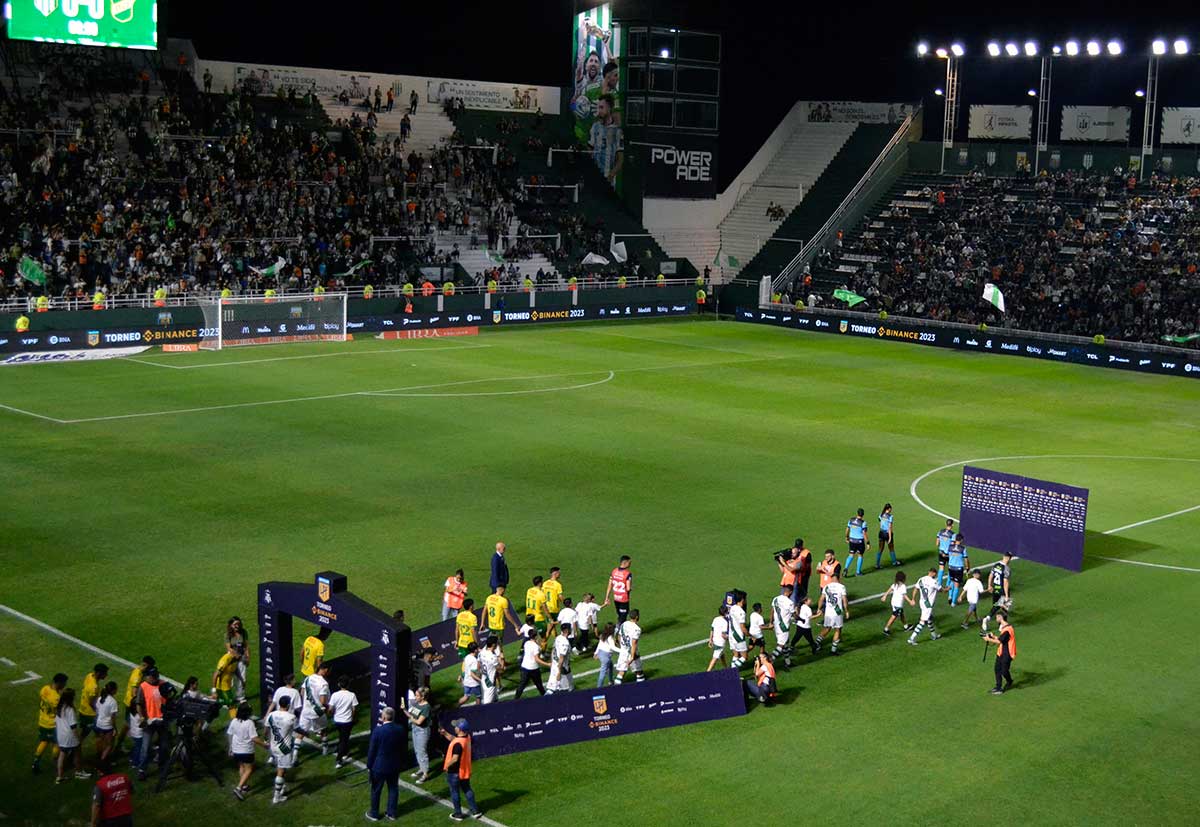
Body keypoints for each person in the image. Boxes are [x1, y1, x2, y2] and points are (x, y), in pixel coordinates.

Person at [365, 706, 407, 821]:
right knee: (393, 789)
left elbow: (372, 750)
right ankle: (391, 813)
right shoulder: (400, 729)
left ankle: (374, 813)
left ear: (383, 717)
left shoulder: (378, 731)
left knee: (376, 790)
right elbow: (403, 748)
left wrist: (369, 765)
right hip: (394, 765)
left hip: (379, 766)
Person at [439, 718, 482, 822]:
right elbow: (455, 739)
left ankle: (458, 814)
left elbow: (455, 758)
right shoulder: (467, 738)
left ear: (460, 729)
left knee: (454, 792)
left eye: (456, 726)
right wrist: (445, 734)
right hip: (464, 770)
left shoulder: (458, 744)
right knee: (467, 789)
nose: (455, 727)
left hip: (454, 772)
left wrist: (446, 766)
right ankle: (475, 811)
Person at [257, 695, 297, 804]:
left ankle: (280, 786)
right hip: (284, 748)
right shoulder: (291, 717)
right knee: (281, 771)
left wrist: (265, 738)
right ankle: (277, 796)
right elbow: (297, 730)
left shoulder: (271, 715)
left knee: (279, 767)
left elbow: (266, 729)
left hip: (273, 746)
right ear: (288, 705)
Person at [135, 669, 167, 780]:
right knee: (146, 746)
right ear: (147, 676)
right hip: (149, 721)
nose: (155, 678)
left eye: (156, 676)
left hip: (162, 720)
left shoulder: (163, 684)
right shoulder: (143, 686)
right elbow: (138, 704)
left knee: (163, 746)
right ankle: (142, 769)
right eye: (153, 676)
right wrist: (142, 717)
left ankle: (162, 766)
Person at [116, 656, 153, 752]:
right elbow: (134, 692)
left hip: (130, 702)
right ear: (146, 665)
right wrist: (140, 704)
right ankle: (121, 745)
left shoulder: (138, 671)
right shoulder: (137, 675)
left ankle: (120, 744)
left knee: (128, 724)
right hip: (131, 704)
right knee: (130, 724)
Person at [33, 672, 67, 774]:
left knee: (44, 741)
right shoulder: (56, 697)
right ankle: (56, 762)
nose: (65, 685)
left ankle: (35, 762)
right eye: (64, 683)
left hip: (42, 720)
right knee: (56, 743)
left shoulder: (44, 688)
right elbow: (59, 712)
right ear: (59, 683)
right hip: (52, 724)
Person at [56, 688, 88, 783]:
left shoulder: (59, 707)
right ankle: (79, 772)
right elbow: (73, 727)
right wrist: (79, 739)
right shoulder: (69, 710)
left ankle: (59, 777)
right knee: (78, 753)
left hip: (61, 735)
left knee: (62, 755)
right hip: (69, 736)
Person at [227, 702, 258, 800]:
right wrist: (265, 745)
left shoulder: (234, 721)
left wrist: (230, 748)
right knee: (249, 769)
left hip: (236, 749)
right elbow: (254, 738)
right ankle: (238, 788)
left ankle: (244, 786)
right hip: (246, 750)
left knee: (241, 766)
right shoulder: (249, 723)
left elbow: (230, 734)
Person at [299, 663, 331, 754]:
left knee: (301, 731)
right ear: (325, 670)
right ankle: (325, 748)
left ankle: (295, 755)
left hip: (306, 710)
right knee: (323, 729)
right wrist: (328, 708)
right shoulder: (323, 683)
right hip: (317, 711)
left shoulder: (308, 678)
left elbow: (302, 692)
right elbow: (322, 701)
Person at [814, 572, 849, 655]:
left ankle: (816, 643)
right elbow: (844, 600)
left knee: (827, 628)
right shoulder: (841, 587)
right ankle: (833, 649)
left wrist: (818, 609)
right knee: (838, 629)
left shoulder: (826, 586)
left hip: (828, 612)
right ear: (838, 578)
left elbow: (821, 599)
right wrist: (847, 611)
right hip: (837, 612)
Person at [328, 676, 359, 767]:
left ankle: (344, 752)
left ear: (339, 684)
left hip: (337, 720)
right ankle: (339, 758)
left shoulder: (334, 695)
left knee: (342, 737)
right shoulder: (351, 695)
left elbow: (330, 709)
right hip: (347, 721)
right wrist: (352, 717)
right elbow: (354, 709)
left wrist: (333, 714)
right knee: (344, 739)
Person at [983, 611, 1017, 694]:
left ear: (1001, 617)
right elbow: (1003, 639)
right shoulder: (1006, 627)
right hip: (1001, 652)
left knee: (1004, 671)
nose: (996, 619)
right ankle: (999, 687)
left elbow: (999, 641)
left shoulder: (1007, 630)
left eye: (997, 617)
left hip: (1007, 653)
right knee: (997, 669)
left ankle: (1009, 681)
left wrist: (988, 639)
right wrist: (994, 637)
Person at [403, 686, 432, 783]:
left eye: (417, 696)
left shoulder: (426, 707)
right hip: (415, 730)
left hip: (422, 731)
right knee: (417, 751)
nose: (415, 697)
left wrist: (411, 719)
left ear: (422, 697)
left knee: (422, 752)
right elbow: (411, 716)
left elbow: (419, 722)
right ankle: (421, 768)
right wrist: (404, 710)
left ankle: (425, 773)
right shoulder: (416, 704)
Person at [908, 568, 944, 646]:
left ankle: (934, 635)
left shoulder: (921, 579)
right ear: (933, 573)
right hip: (928, 604)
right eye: (935, 574)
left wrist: (913, 599)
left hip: (922, 602)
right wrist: (948, 588)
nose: (936, 575)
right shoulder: (934, 582)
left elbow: (915, 589)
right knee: (922, 621)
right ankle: (912, 638)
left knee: (929, 618)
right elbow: (942, 590)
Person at [982, 553, 1014, 634]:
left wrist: (989, 585)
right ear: (1009, 559)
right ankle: (1002, 626)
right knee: (1005, 607)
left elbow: (990, 575)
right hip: (1002, 590)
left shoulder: (996, 565)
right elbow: (1005, 582)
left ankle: (987, 618)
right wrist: (1006, 595)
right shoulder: (1006, 568)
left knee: (996, 605)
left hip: (996, 589)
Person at [92, 681, 119, 772]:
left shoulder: (101, 698)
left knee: (103, 743)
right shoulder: (113, 702)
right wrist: (115, 728)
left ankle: (101, 759)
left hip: (99, 724)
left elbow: (97, 710)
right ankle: (101, 763)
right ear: (113, 690)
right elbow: (112, 718)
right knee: (109, 745)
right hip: (107, 726)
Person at [79, 664, 108, 749]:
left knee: (85, 733)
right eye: (105, 673)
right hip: (89, 714)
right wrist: (99, 710)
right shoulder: (94, 687)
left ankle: (73, 752)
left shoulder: (89, 675)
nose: (106, 675)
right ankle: (74, 752)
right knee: (97, 734)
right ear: (99, 673)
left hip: (82, 709)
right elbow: (91, 703)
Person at [514, 630, 549, 699]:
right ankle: (545, 697)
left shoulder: (526, 643)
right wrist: (547, 664)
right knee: (539, 685)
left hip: (524, 667)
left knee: (522, 685)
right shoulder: (536, 646)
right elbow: (537, 659)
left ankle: (515, 699)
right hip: (534, 668)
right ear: (536, 636)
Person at [615, 608, 645, 683]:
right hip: (632, 653)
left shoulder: (624, 624)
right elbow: (634, 643)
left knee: (621, 672)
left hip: (623, 651)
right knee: (639, 672)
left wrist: (622, 646)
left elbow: (619, 635)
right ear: (637, 617)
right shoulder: (637, 629)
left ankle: (615, 689)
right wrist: (632, 656)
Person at [225, 616, 250, 702]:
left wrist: (247, 657)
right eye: (235, 624)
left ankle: (241, 697)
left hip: (241, 657)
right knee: (229, 678)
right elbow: (229, 648)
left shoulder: (243, 632)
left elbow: (246, 646)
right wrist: (236, 655)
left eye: (238, 624)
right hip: (231, 657)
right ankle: (228, 696)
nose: (237, 626)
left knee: (242, 678)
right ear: (231, 625)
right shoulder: (228, 634)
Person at [881, 570, 915, 636]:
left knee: (901, 614)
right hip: (898, 604)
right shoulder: (903, 586)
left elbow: (890, 589)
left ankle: (906, 626)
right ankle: (886, 629)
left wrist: (884, 596)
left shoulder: (895, 584)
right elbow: (904, 595)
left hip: (894, 602)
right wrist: (910, 601)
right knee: (894, 616)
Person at [768, 587, 795, 666]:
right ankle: (769, 661)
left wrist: (770, 622)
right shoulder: (790, 602)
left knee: (785, 643)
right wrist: (801, 619)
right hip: (784, 627)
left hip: (777, 625)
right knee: (781, 645)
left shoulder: (776, 599)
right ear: (790, 592)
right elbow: (794, 615)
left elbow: (772, 611)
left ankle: (788, 662)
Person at [602, 555, 633, 624]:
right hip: (624, 599)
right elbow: (628, 588)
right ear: (625, 563)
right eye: (629, 562)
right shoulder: (627, 574)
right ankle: (619, 631)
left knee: (619, 615)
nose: (630, 564)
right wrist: (631, 588)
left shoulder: (614, 571)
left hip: (616, 598)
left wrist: (607, 597)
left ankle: (618, 627)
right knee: (623, 617)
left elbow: (609, 585)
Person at [844, 508, 871, 577]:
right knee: (860, 555)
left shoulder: (851, 520)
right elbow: (864, 533)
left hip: (852, 540)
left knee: (851, 555)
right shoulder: (863, 523)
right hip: (859, 541)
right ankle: (858, 572)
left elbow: (847, 529)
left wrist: (846, 537)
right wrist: (867, 543)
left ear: (857, 513)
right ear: (863, 514)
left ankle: (846, 568)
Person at [548, 623, 574, 693]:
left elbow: (553, 650)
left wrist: (552, 662)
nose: (571, 629)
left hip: (556, 664)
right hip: (561, 667)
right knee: (559, 689)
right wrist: (559, 672)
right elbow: (561, 658)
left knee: (569, 686)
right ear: (566, 630)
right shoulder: (565, 643)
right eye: (570, 628)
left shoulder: (558, 637)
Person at [212, 649, 240, 713]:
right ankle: (235, 721)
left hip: (227, 685)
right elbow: (215, 675)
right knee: (231, 705)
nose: (240, 657)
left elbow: (234, 670)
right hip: (222, 687)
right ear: (234, 652)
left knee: (219, 705)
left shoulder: (236, 659)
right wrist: (214, 691)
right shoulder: (225, 660)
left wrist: (241, 679)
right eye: (239, 654)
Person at [946, 533, 970, 606]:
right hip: (958, 568)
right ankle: (953, 603)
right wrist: (967, 567)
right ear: (961, 540)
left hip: (951, 567)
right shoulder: (963, 548)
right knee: (956, 585)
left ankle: (950, 596)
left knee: (952, 581)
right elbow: (966, 559)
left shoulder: (950, 547)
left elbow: (948, 555)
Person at [478, 636, 503, 705]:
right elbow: (500, 670)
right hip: (490, 683)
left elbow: (479, 664)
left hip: (484, 679)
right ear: (493, 645)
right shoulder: (493, 657)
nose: (497, 644)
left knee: (495, 700)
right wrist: (501, 659)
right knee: (487, 705)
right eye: (496, 643)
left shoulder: (482, 652)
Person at [728, 593, 750, 669]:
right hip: (738, 636)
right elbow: (743, 627)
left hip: (731, 635)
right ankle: (732, 671)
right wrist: (749, 635)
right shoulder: (741, 612)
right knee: (744, 657)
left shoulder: (732, 608)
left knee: (736, 655)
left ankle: (734, 672)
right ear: (742, 600)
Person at [706, 605, 730, 672]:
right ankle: (707, 673)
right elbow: (723, 635)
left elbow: (712, 630)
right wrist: (730, 638)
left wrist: (710, 640)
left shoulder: (715, 619)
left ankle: (726, 669)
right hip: (720, 642)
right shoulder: (725, 622)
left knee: (722, 655)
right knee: (715, 658)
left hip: (715, 640)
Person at [594, 623, 617, 687]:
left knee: (610, 666)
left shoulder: (602, 635)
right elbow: (613, 648)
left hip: (601, 653)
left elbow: (599, 644)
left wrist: (596, 653)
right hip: (606, 656)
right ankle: (599, 687)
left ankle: (611, 681)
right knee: (603, 672)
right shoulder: (610, 638)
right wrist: (622, 651)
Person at [543, 567, 564, 638]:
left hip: (547, 608)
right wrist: (566, 604)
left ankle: (556, 640)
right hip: (554, 609)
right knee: (550, 629)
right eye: (559, 573)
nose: (560, 574)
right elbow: (560, 596)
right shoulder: (557, 585)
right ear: (555, 573)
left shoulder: (545, 583)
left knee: (552, 626)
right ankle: (543, 643)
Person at [935, 519, 956, 588]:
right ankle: (948, 585)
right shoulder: (953, 534)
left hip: (941, 553)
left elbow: (937, 543)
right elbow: (952, 546)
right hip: (949, 554)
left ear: (946, 523)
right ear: (952, 525)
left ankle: (939, 584)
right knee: (950, 568)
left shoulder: (940, 532)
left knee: (941, 568)